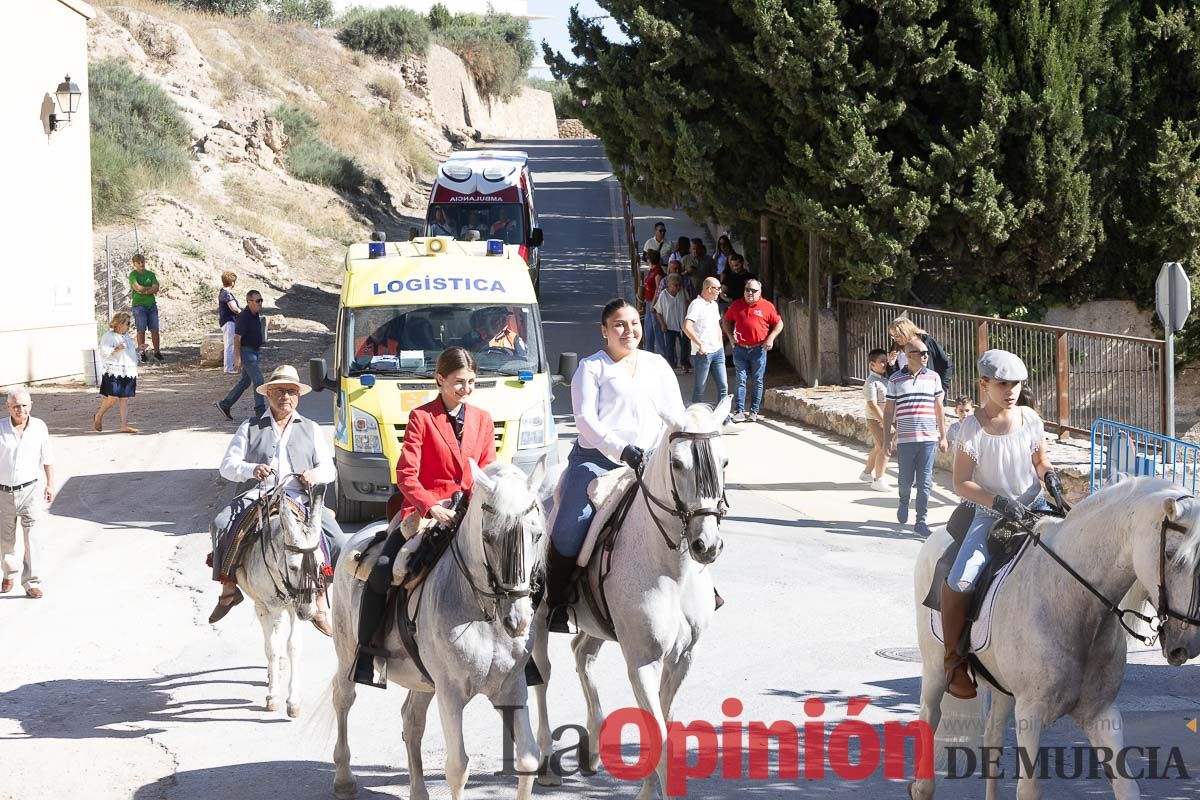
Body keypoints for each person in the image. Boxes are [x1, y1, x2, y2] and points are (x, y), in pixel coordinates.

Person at [352, 347, 498, 685]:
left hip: (468, 510)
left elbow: (487, 470)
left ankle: (516, 648)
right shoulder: (422, 418)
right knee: (384, 568)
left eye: (472, 382)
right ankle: (366, 652)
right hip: (426, 510)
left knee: (510, 562)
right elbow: (406, 474)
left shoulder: (483, 419)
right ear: (440, 380)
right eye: (459, 382)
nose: (466, 389)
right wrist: (430, 505)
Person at [543, 299, 685, 632]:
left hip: (651, 462)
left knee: (691, 512)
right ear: (604, 331)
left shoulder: (657, 365)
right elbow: (585, 421)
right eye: (619, 325)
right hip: (598, 462)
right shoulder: (592, 368)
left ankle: (699, 589)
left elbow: (676, 414)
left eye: (634, 323)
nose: (628, 330)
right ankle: (557, 601)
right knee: (570, 525)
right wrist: (623, 450)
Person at [941, 350, 1059, 699]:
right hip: (989, 515)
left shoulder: (1030, 418)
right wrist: (998, 502)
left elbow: (1040, 459)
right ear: (984, 384)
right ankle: (953, 661)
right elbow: (960, 483)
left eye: (1017, 384)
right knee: (962, 577)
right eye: (1003, 383)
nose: (1011, 390)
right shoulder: (971, 429)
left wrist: (1049, 476)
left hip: (1035, 508)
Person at [208, 365, 342, 634]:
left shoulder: (312, 428)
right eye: (279, 391)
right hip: (259, 495)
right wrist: (250, 469)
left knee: (337, 540)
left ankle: (319, 601)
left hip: (299, 496)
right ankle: (229, 589)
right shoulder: (250, 426)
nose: (285, 397)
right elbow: (227, 465)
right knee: (221, 523)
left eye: (291, 391)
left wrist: (313, 475)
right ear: (268, 394)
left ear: (298, 396)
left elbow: (330, 469)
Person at [884, 338, 949, 536]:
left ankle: (921, 520)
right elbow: (888, 411)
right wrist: (887, 439)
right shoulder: (895, 379)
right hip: (905, 439)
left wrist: (943, 436)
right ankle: (904, 500)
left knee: (925, 481)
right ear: (909, 356)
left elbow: (939, 408)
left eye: (926, 353)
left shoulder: (934, 378)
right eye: (922, 353)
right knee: (904, 481)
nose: (926, 356)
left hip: (928, 438)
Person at [0, 389, 54, 598]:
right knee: (6, 539)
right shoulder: (1, 428)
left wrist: (50, 484)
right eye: (15, 406)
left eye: (23, 405)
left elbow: (47, 457)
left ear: (30, 405)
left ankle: (31, 581)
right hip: (4, 492)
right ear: (7, 407)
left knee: (33, 536)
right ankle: (9, 574)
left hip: (30, 490)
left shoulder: (39, 427)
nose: (19, 409)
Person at [721, 279, 783, 423]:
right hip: (740, 349)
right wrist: (730, 337)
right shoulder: (737, 305)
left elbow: (779, 323)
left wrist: (771, 338)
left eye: (754, 291)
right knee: (741, 380)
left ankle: (754, 411)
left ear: (759, 292)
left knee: (757, 380)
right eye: (747, 289)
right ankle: (739, 411)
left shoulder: (767, 306)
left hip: (758, 350)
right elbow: (726, 320)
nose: (750, 293)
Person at [216, 290, 266, 421]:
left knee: (245, 381)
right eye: (257, 301)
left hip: (254, 351)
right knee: (259, 380)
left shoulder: (255, 314)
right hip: (247, 352)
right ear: (249, 302)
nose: (260, 303)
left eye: (261, 300)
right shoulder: (244, 316)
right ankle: (260, 411)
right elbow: (237, 338)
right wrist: (237, 358)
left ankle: (225, 404)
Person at [685, 277, 730, 412]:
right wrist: (700, 344)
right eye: (717, 289)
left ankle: (725, 419)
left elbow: (717, 325)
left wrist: (721, 344)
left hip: (717, 351)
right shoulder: (696, 304)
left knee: (723, 386)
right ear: (709, 289)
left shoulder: (714, 304)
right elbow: (687, 326)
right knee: (700, 387)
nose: (720, 292)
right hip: (703, 354)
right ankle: (693, 418)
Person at [94, 311, 139, 434]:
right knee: (113, 397)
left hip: (127, 371)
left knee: (124, 399)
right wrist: (117, 348)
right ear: (119, 324)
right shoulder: (109, 336)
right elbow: (104, 352)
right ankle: (99, 415)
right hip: (114, 370)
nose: (129, 326)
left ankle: (124, 425)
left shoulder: (127, 338)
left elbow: (130, 354)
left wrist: (139, 349)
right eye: (127, 323)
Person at [887, 317, 953, 399]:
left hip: (929, 393)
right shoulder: (896, 346)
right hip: (905, 395)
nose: (895, 340)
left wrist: (942, 389)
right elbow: (893, 375)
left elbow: (946, 364)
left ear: (906, 332)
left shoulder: (927, 341)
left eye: (897, 336)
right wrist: (891, 364)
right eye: (893, 337)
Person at [858, 349, 890, 491]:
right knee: (885, 446)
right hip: (876, 420)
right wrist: (884, 421)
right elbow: (872, 404)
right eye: (881, 361)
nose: (885, 364)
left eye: (886, 360)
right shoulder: (871, 382)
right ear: (872, 364)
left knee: (879, 446)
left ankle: (866, 473)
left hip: (886, 418)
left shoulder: (885, 378)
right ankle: (879, 479)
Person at [129, 253, 163, 363]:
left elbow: (156, 287)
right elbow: (137, 288)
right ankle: (142, 353)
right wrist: (149, 290)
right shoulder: (133, 275)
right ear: (134, 264)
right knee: (141, 330)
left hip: (151, 305)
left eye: (142, 261)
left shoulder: (150, 274)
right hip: (139, 306)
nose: (141, 264)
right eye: (138, 262)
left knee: (155, 330)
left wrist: (144, 290)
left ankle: (157, 352)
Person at [654, 274, 691, 372]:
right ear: (669, 285)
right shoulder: (663, 295)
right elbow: (658, 312)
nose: (678, 287)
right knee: (670, 348)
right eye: (675, 285)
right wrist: (662, 324)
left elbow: (688, 306)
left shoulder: (683, 292)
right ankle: (671, 366)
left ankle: (684, 364)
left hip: (682, 326)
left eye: (679, 285)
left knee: (685, 347)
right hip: (669, 326)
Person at [641, 250, 666, 355]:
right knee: (648, 329)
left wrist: (653, 304)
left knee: (656, 329)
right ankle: (649, 352)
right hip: (648, 302)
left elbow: (658, 289)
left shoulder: (657, 272)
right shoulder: (651, 270)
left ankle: (663, 353)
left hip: (653, 303)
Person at [218, 272, 241, 374]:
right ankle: (228, 368)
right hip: (229, 321)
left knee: (230, 344)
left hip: (227, 321)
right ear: (232, 282)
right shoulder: (226, 294)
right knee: (229, 345)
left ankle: (230, 367)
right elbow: (234, 308)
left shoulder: (222, 292)